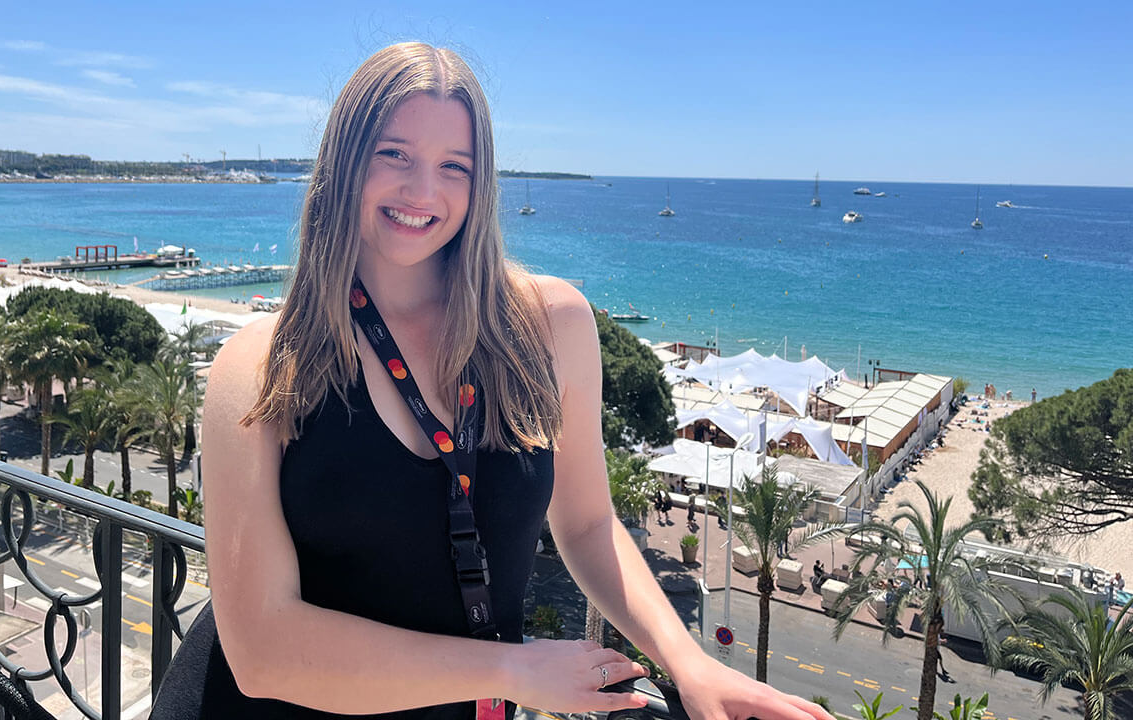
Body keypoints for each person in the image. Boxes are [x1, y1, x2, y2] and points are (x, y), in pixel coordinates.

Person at [149, 43, 831, 720]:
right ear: (344, 162)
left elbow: (589, 523)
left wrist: (687, 662)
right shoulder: (265, 365)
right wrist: (511, 669)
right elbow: (262, 650)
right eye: (395, 155)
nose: (423, 191)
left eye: (455, 166)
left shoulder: (551, 325)